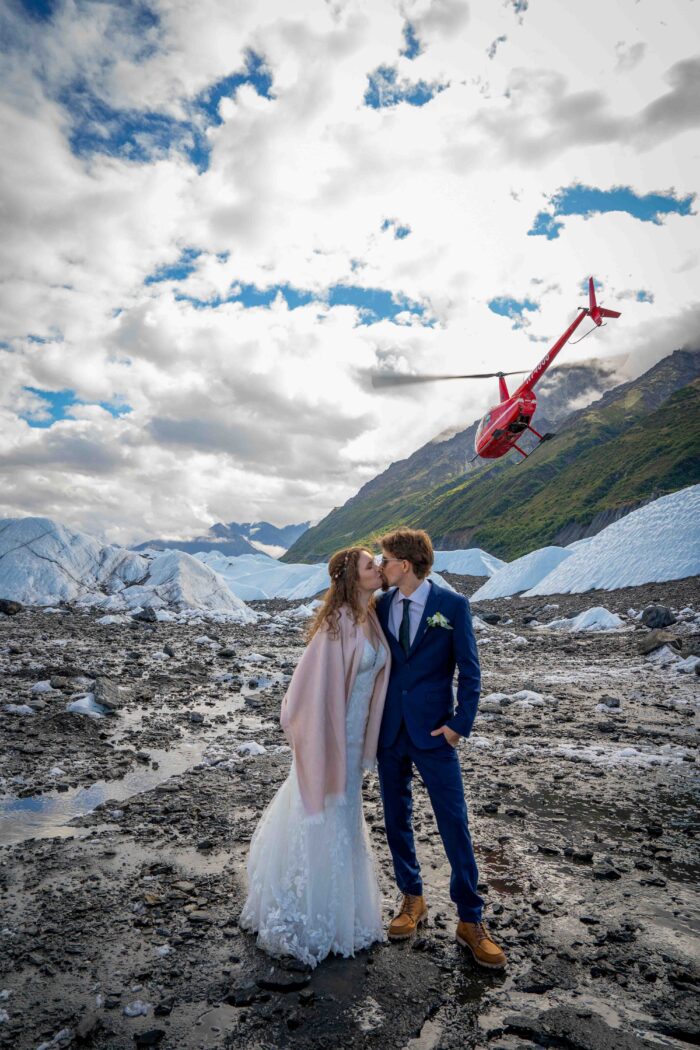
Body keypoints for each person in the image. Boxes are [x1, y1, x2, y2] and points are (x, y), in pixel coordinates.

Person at [240, 547, 391, 967]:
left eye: (377, 563)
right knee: (323, 812)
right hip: (333, 735)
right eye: (369, 565)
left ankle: (342, 909)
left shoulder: (371, 616)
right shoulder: (336, 624)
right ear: (351, 578)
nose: (377, 568)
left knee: (344, 817)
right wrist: (314, 732)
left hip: (356, 736)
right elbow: (306, 687)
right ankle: (309, 913)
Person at [375, 528, 506, 969]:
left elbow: (470, 671)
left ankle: (471, 920)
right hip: (389, 733)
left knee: (454, 823)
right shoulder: (379, 605)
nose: (381, 566)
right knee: (396, 819)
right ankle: (412, 898)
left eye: (386, 559)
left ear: (405, 565)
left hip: (435, 733)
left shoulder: (452, 606)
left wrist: (458, 726)